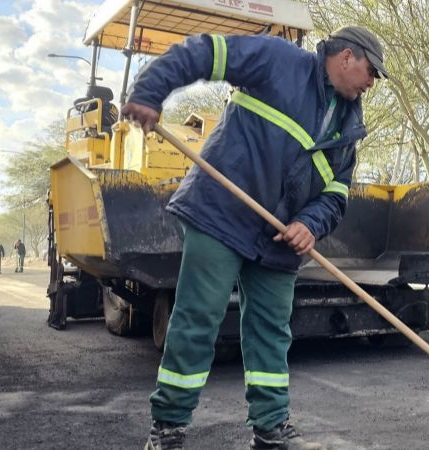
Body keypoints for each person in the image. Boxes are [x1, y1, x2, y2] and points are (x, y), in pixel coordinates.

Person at [122, 25, 388, 450]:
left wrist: (310, 224)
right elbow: (204, 50)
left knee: (271, 333)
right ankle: (168, 428)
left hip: (279, 240)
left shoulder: (349, 130)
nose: (372, 83)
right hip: (220, 215)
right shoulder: (278, 60)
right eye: (371, 72)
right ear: (347, 57)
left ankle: (270, 429)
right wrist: (150, 91)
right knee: (198, 319)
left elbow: (336, 195)